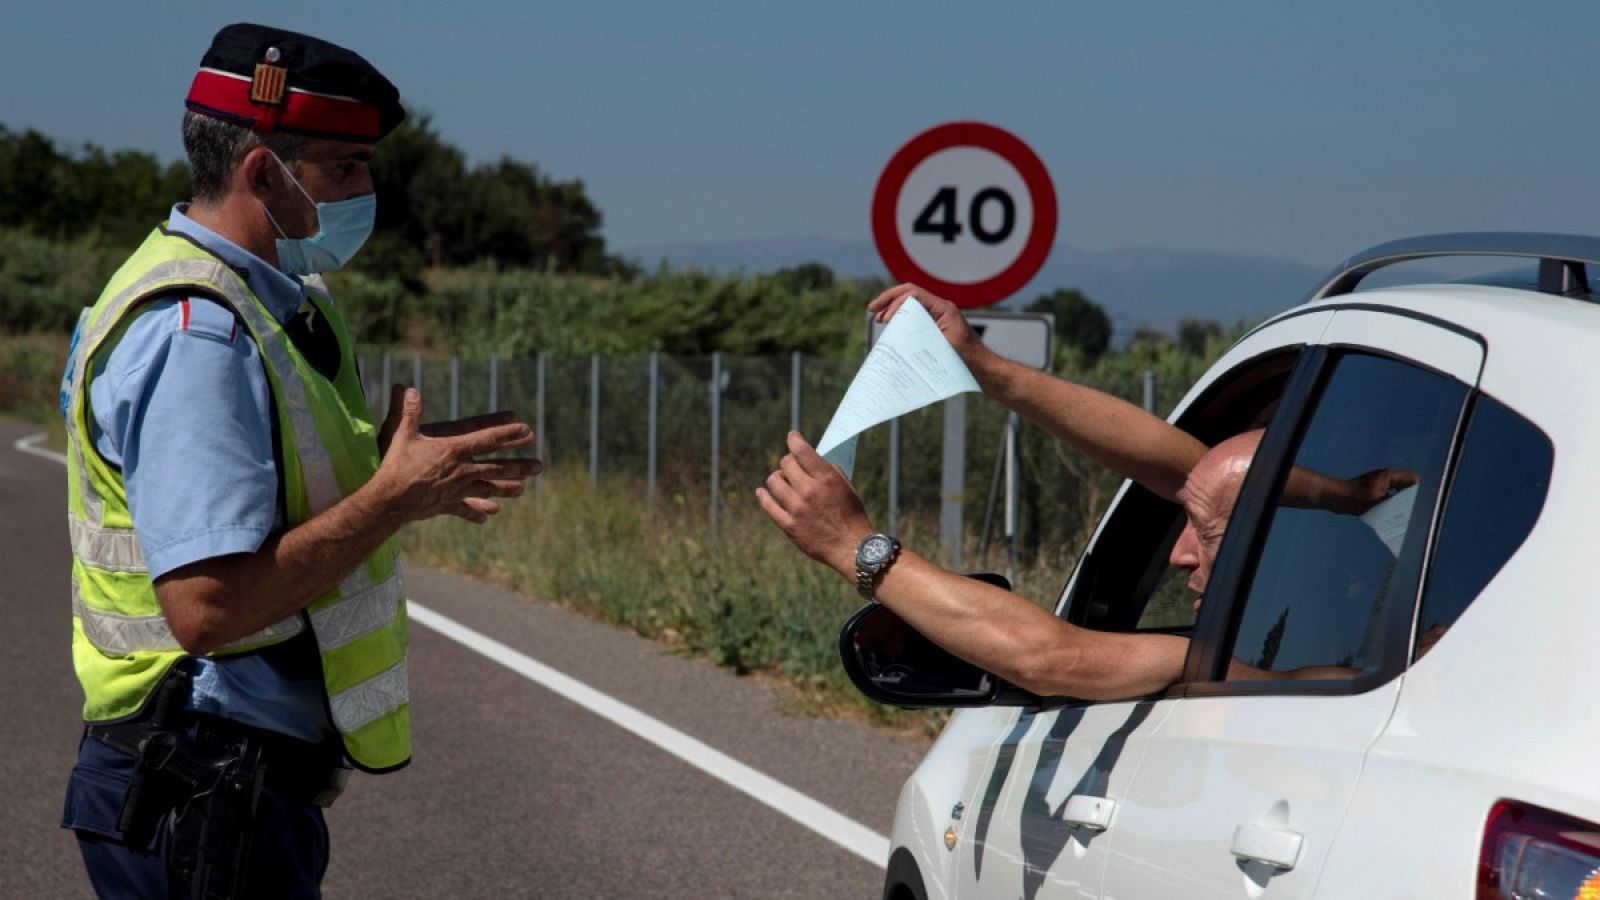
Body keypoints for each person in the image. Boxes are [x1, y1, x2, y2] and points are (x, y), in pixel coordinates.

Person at [58, 24, 540, 898]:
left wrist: (399, 465)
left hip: (228, 781)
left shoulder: (261, 299)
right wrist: (392, 500)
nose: (366, 192)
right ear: (261, 173)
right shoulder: (197, 333)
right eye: (344, 169)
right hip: (195, 779)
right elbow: (207, 608)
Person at [757, 285, 1411, 700]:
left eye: (1210, 531)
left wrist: (856, 548)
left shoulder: (1227, 669)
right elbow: (1197, 474)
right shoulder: (1387, 644)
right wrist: (983, 368)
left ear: (1278, 546)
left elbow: (1047, 657)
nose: (1178, 553)